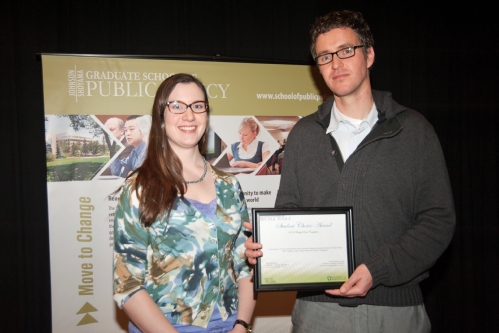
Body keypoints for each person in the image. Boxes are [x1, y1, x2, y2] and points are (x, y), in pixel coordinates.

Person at [244, 10, 455, 333]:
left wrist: (378, 269)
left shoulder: (414, 130)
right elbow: (289, 211)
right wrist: (267, 246)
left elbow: (438, 220)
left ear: (369, 55)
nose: (335, 64)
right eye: (325, 56)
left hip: (397, 312)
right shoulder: (302, 134)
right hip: (318, 312)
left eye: (346, 51)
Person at [113, 73, 256, 333]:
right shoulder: (140, 187)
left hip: (231, 324)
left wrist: (242, 324)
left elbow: (245, 264)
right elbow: (127, 284)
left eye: (197, 106)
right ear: (161, 116)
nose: (189, 116)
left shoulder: (229, 185)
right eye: (177, 106)